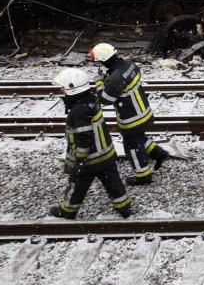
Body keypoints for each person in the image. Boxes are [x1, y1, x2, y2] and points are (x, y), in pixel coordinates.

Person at [50, 68, 132, 219]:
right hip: (105, 154)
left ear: (72, 88)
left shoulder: (78, 111)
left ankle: (68, 210)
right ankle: (123, 206)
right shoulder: (91, 99)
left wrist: (79, 160)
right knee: (113, 182)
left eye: (63, 87)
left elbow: (84, 138)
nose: (61, 89)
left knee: (77, 185)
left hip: (90, 159)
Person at [90, 43, 169, 185]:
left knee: (132, 146)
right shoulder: (129, 64)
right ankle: (159, 154)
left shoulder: (116, 78)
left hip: (131, 117)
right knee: (139, 138)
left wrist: (99, 83)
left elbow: (105, 99)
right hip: (143, 111)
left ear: (104, 60)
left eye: (99, 62)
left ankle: (142, 175)